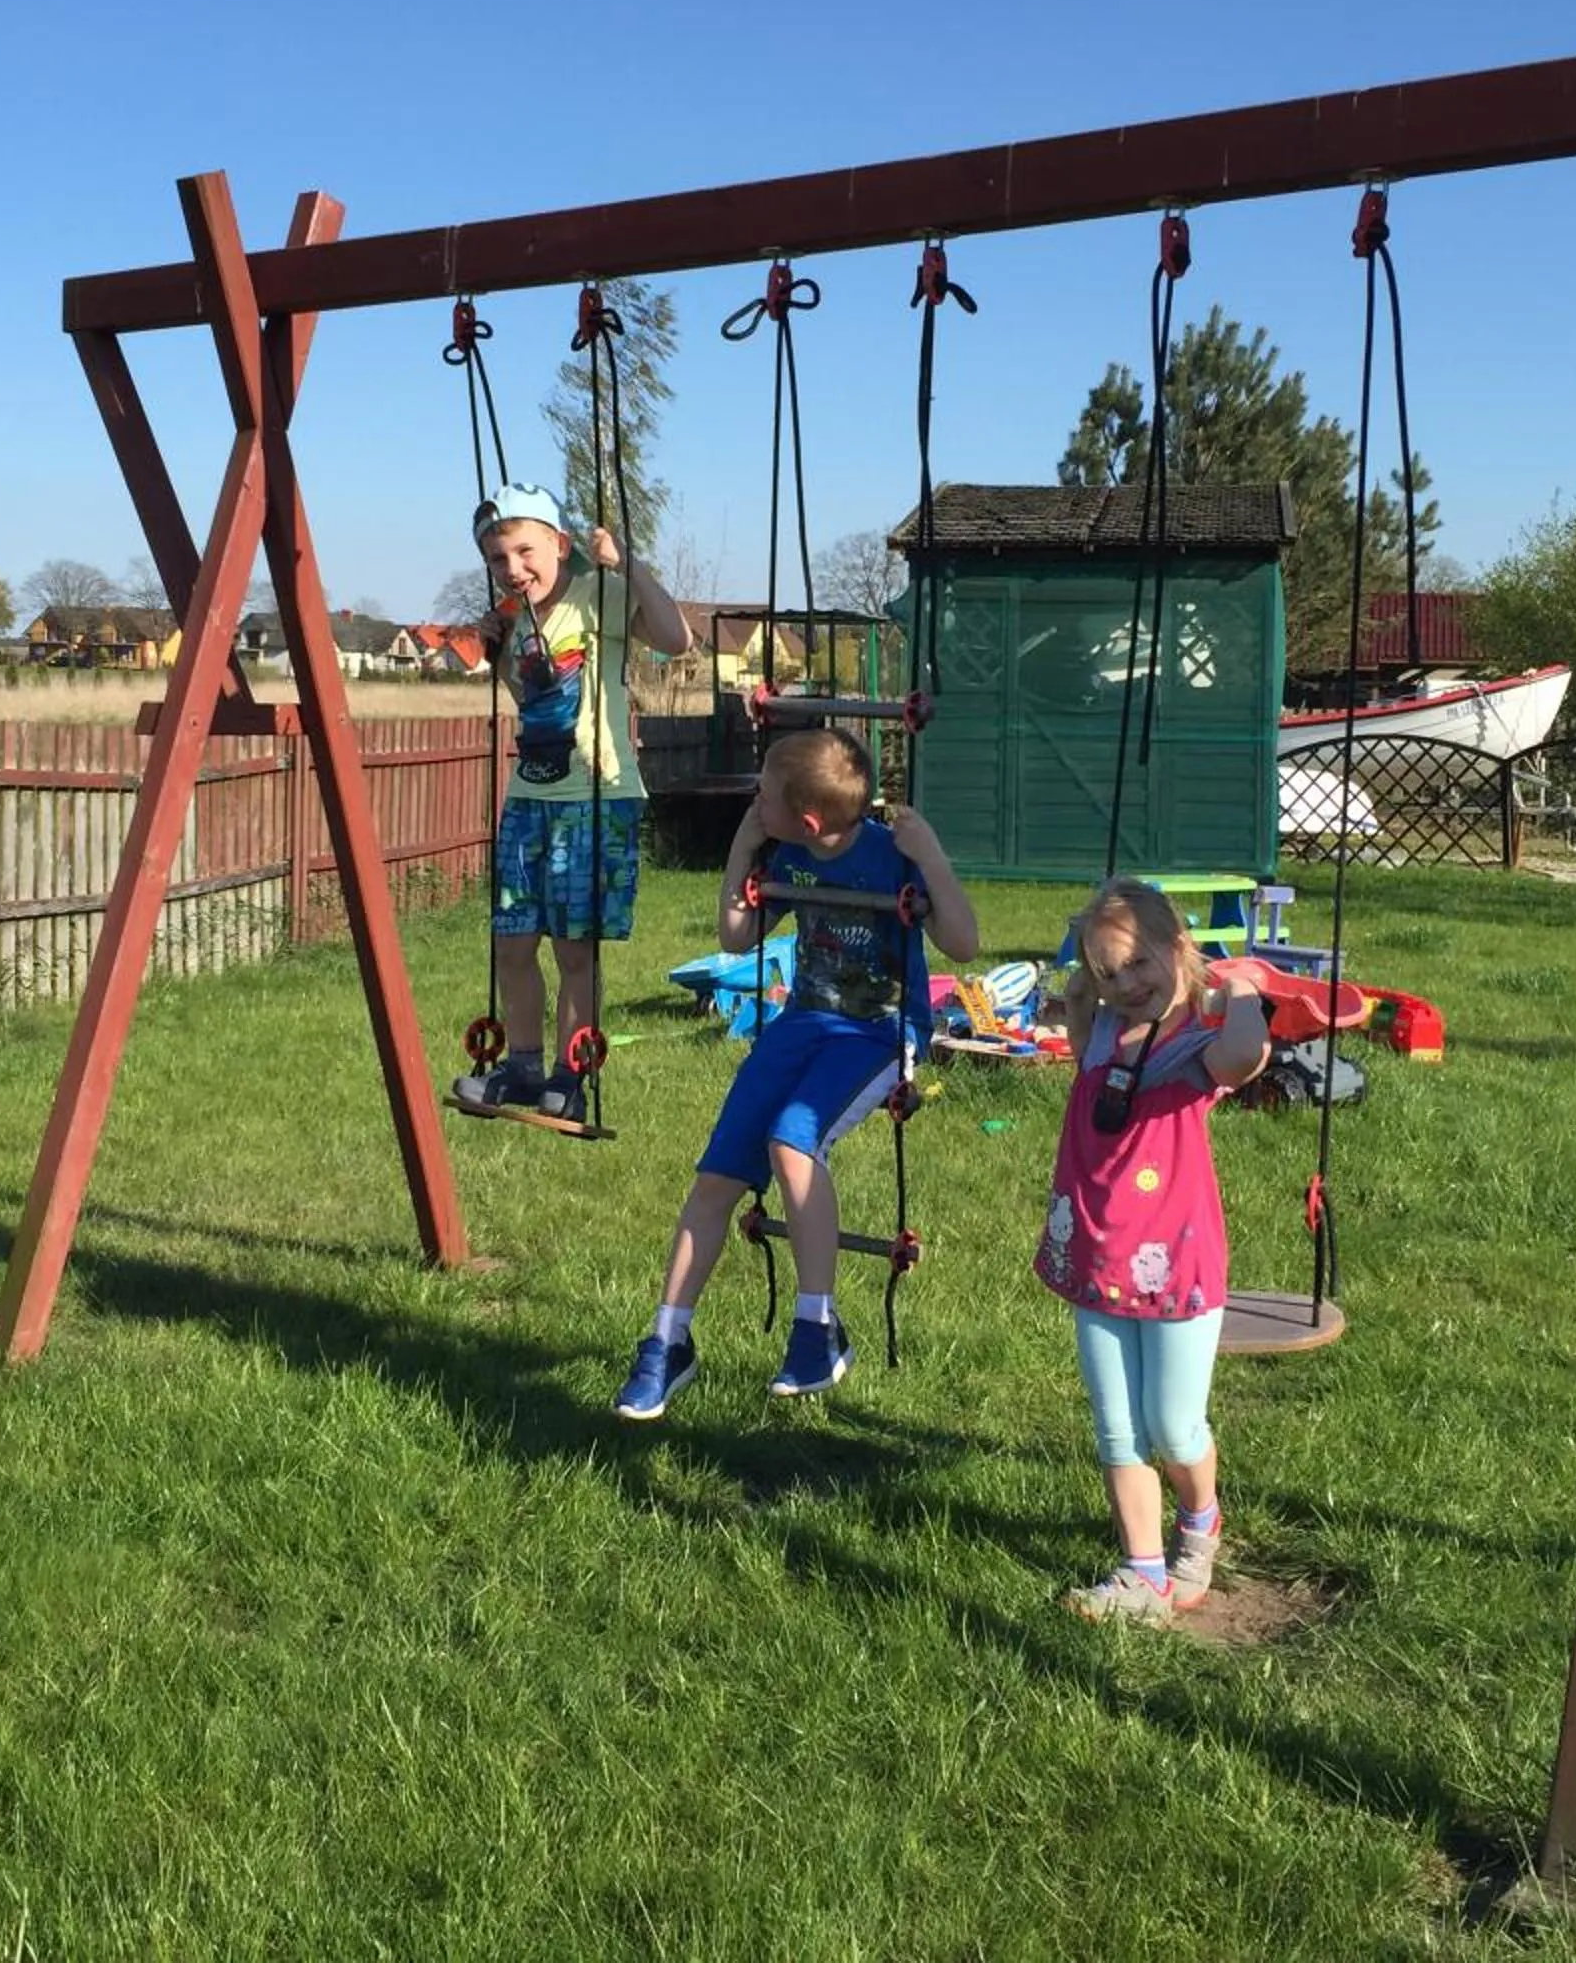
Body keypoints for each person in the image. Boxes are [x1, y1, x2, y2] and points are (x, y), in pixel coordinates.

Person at [613, 725, 979, 1417]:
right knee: (717, 1176)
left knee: (791, 1140)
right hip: (802, 1023)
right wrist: (743, 850)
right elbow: (736, 937)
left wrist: (930, 858)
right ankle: (668, 1340)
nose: (753, 797)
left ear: (807, 818)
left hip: (880, 1032)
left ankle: (818, 1327)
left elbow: (963, 942)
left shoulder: (891, 857)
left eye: (762, 794)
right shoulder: (787, 853)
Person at [1035, 878, 1274, 1624]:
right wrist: (1084, 989)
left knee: (1172, 1426)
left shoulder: (1195, 1046)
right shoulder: (1105, 1031)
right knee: (1118, 1429)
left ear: (1177, 949)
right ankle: (1142, 1572)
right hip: (1096, 1260)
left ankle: (1200, 1520)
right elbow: (1079, 1038)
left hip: (1175, 1264)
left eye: (1139, 963)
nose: (1125, 984)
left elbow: (1245, 1056)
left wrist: (1238, 991)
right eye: (1109, 973)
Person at [450, 483, 690, 1120]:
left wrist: (627, 563)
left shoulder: (598, 598)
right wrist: (497, 642)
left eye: (525, 551)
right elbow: (529, 705)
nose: (513, 569)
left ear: (558, 544)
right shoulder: (510, 621)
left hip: (596, 795)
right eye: (498, 560)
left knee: (573, 949)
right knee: (512, 943)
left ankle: (568, 1075)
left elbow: (676, 638)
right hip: (530, 796)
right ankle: (521, 1065)